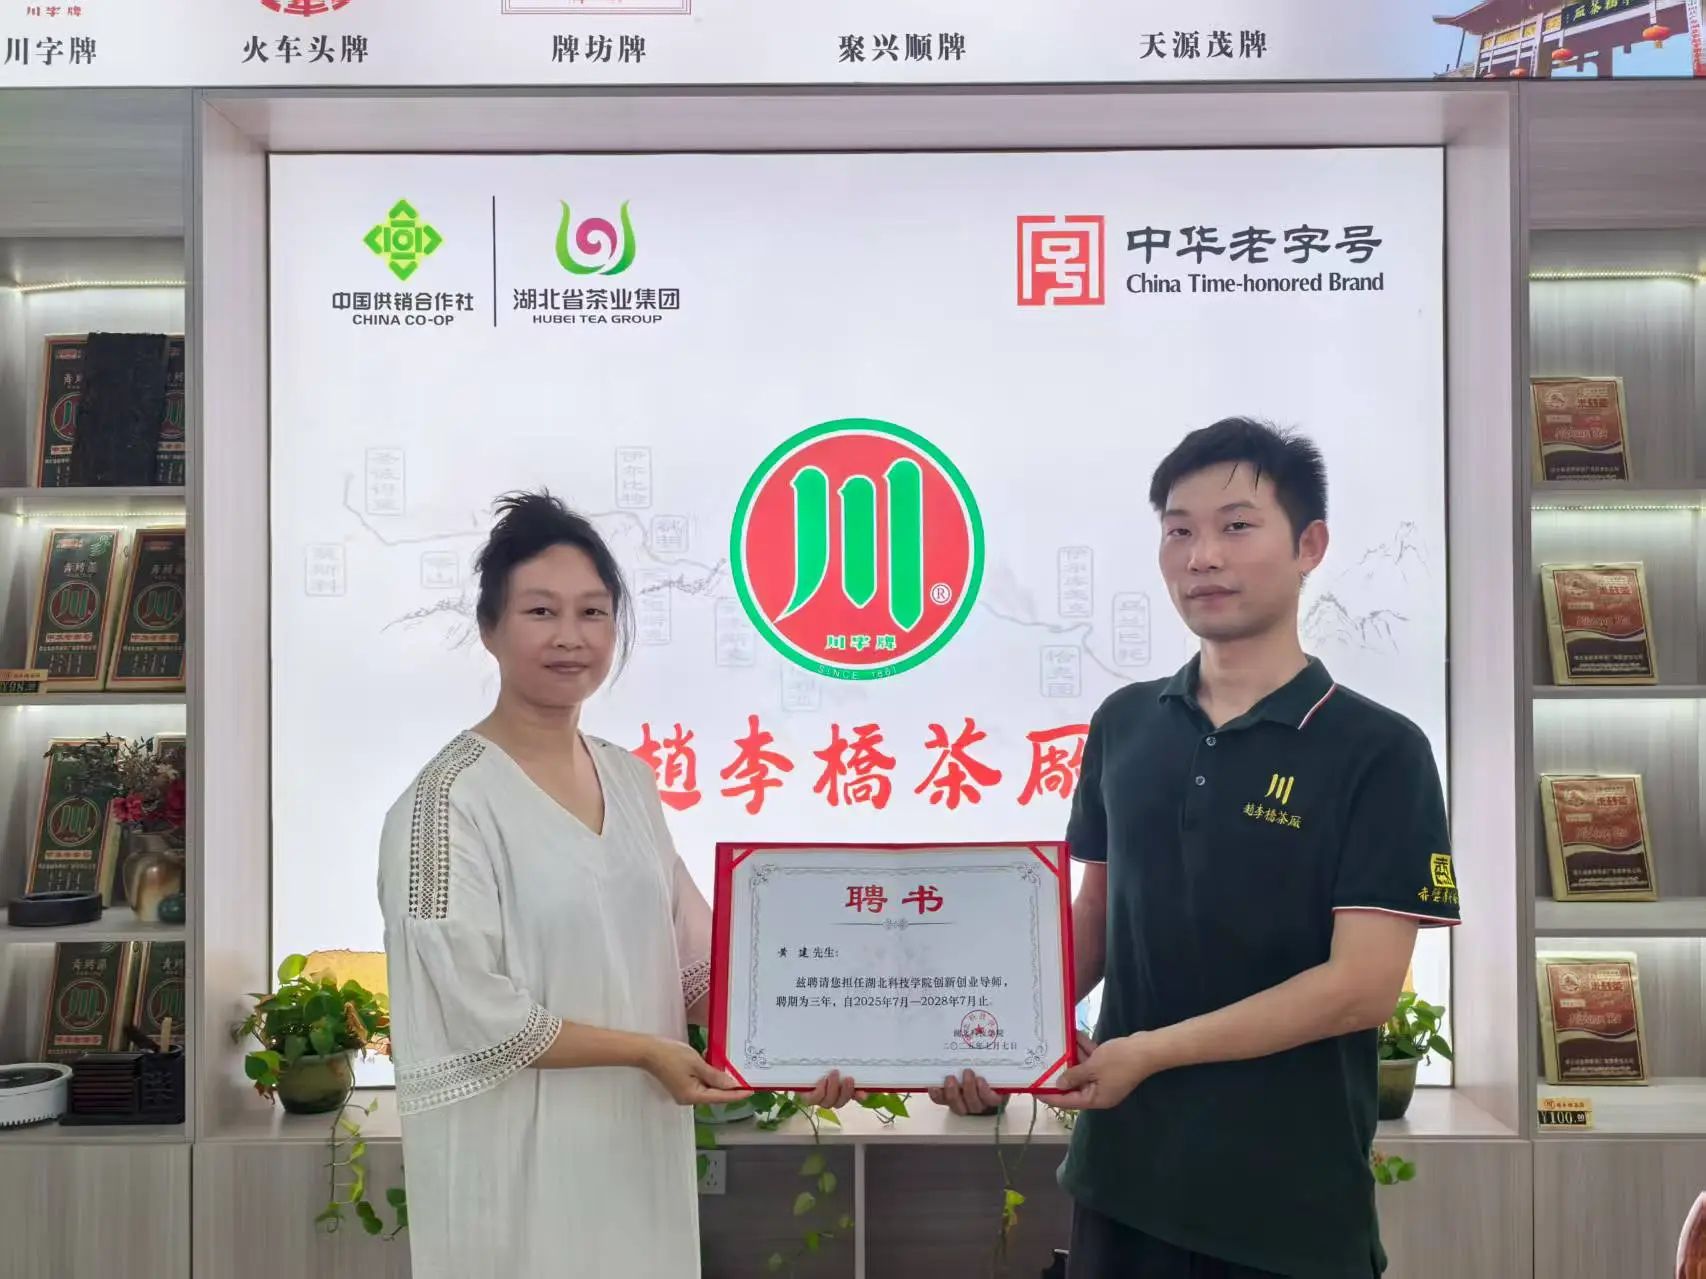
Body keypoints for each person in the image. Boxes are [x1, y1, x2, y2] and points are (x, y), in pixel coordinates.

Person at [932, 418, 1459, 1278]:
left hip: (1287, 1207)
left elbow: (1360, 988)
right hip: (1119, 1186)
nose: (1202, 556)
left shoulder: (1380, 749)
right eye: (1179, 530)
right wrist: (996, 1038)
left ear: (1310, 545)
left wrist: (1152, 1051)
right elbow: (1098, 918)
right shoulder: (1124, 722)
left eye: (1236, 526)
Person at [377, 491, 859, 1277]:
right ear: (489, 628)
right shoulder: (445, 803)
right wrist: (644, 1050)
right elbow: (474, 1009)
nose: (570, 636)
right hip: (514, 1184)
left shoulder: (630, 780)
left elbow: (695, 963)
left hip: (637, 1166)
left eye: (594, 612)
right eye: (541, 610)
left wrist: (801, 1046)